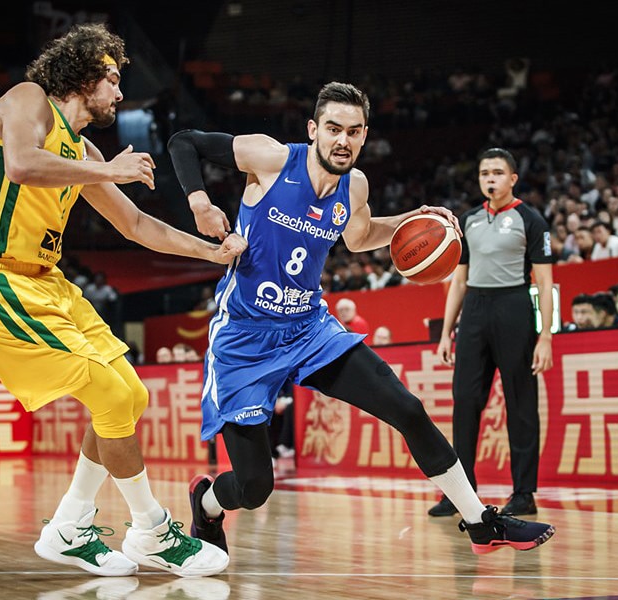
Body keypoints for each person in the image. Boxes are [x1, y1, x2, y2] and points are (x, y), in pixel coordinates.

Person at [168, 82, 554, 556]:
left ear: (365, 136)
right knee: (253, 489)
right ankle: (206, 502)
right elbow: (182, 141)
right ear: (313, 130)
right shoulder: (269, 158)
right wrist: (200, 203)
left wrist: (415, 218)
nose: (341, 140)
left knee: (408, 410)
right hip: (245, 338)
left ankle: (480, 522)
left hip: (309, 328)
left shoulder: (356, 186)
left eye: (352, 132)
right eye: (332, 128)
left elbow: (360, 235)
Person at [0, 23, 243, 579]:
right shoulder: (26, 100)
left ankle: (70, 525)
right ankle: (152, 530)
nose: (119, 91)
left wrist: (211, 254)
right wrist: (107, 169)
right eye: (112, 78)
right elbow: (21, 164)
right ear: (82, 75)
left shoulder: (81, 149)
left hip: (45, 283)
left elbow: (134, 224)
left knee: (125, 395)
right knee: (108, 390)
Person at [427, 147, 555, 518]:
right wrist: (445, 332)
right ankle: (459, 495)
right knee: (464, 404)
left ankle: (524, 493)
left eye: (498, 173)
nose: (490, 179)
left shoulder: (531, 220)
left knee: (521, 404)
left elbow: (545, 284)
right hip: (476, 313)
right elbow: (459, 280)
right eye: (485, 173)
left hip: (514, 307)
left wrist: (545, 335)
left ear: (512, 179)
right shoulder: (467, 220)